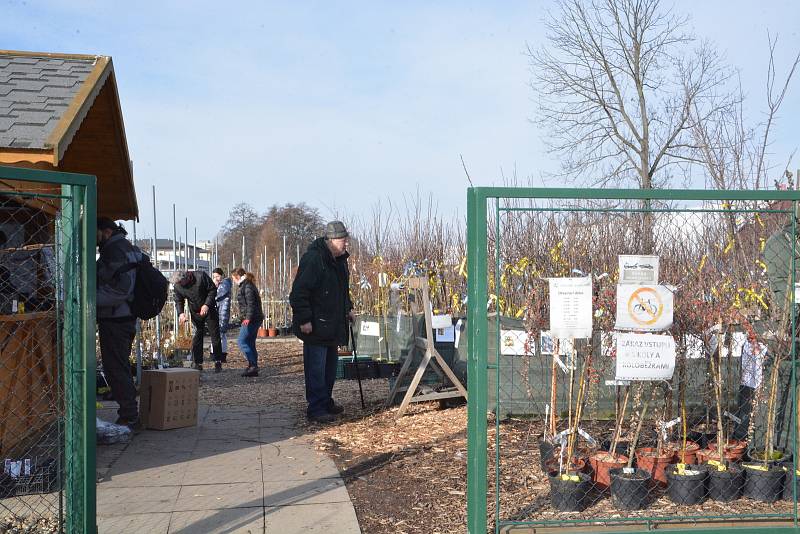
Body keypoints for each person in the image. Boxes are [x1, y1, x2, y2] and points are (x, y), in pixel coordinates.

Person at [290, 220, 354, 423]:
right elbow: (299, 292)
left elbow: (342, 291)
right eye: (344, 240)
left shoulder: (340, 261)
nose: (346, 244)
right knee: (316, 369)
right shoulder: (314, 259)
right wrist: (304, 319)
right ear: (332, 240)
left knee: (329, 368)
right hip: (316, 325)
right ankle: (316, 408)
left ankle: (325, 401)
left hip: (332, 324)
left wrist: (348, 308)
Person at [96, 217, 141, 429]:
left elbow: (121, 290)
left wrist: (86, 300)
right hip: (122, 316)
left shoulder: (116, 252)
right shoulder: (123, 248)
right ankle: (129, 413)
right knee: (118, 366)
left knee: (116, 367)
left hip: (116, 317)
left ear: (105, 232)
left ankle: (129, 416)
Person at [171, 269, 223, 373]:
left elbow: (212, 290)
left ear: (186, 278)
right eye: (179, 284)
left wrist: (207, 305)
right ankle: (198, 362)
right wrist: (181, 313)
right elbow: (178, 299)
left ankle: (218, 361)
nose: (181, 285)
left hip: (209, 309)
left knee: (214, 334)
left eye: (182, 282)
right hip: (195, 311)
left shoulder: (200, 276)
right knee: (197, 335)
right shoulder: (178, 286)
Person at [232, 267, 264, 377]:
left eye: (233, 278)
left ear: (237, 277)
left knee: (242, 341)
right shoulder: (247, 284)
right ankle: (253, 366)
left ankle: (253, 365)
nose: (233, 281)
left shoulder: (247, 286)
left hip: (252, 319)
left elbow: (251, 304)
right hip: (255, 318)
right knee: (250, 342)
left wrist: (247, 318)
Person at [211, 268, 232, 363]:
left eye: (218, 276)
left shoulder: (225, 284)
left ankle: (221, 354)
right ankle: (214, 353)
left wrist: (214, 287)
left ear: (222, 275)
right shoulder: (219, 284)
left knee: (221, 333)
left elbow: (216, 295)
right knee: (215, 333)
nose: (216, 278)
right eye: (214, 277)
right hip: (216, 311)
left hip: (222, 312)